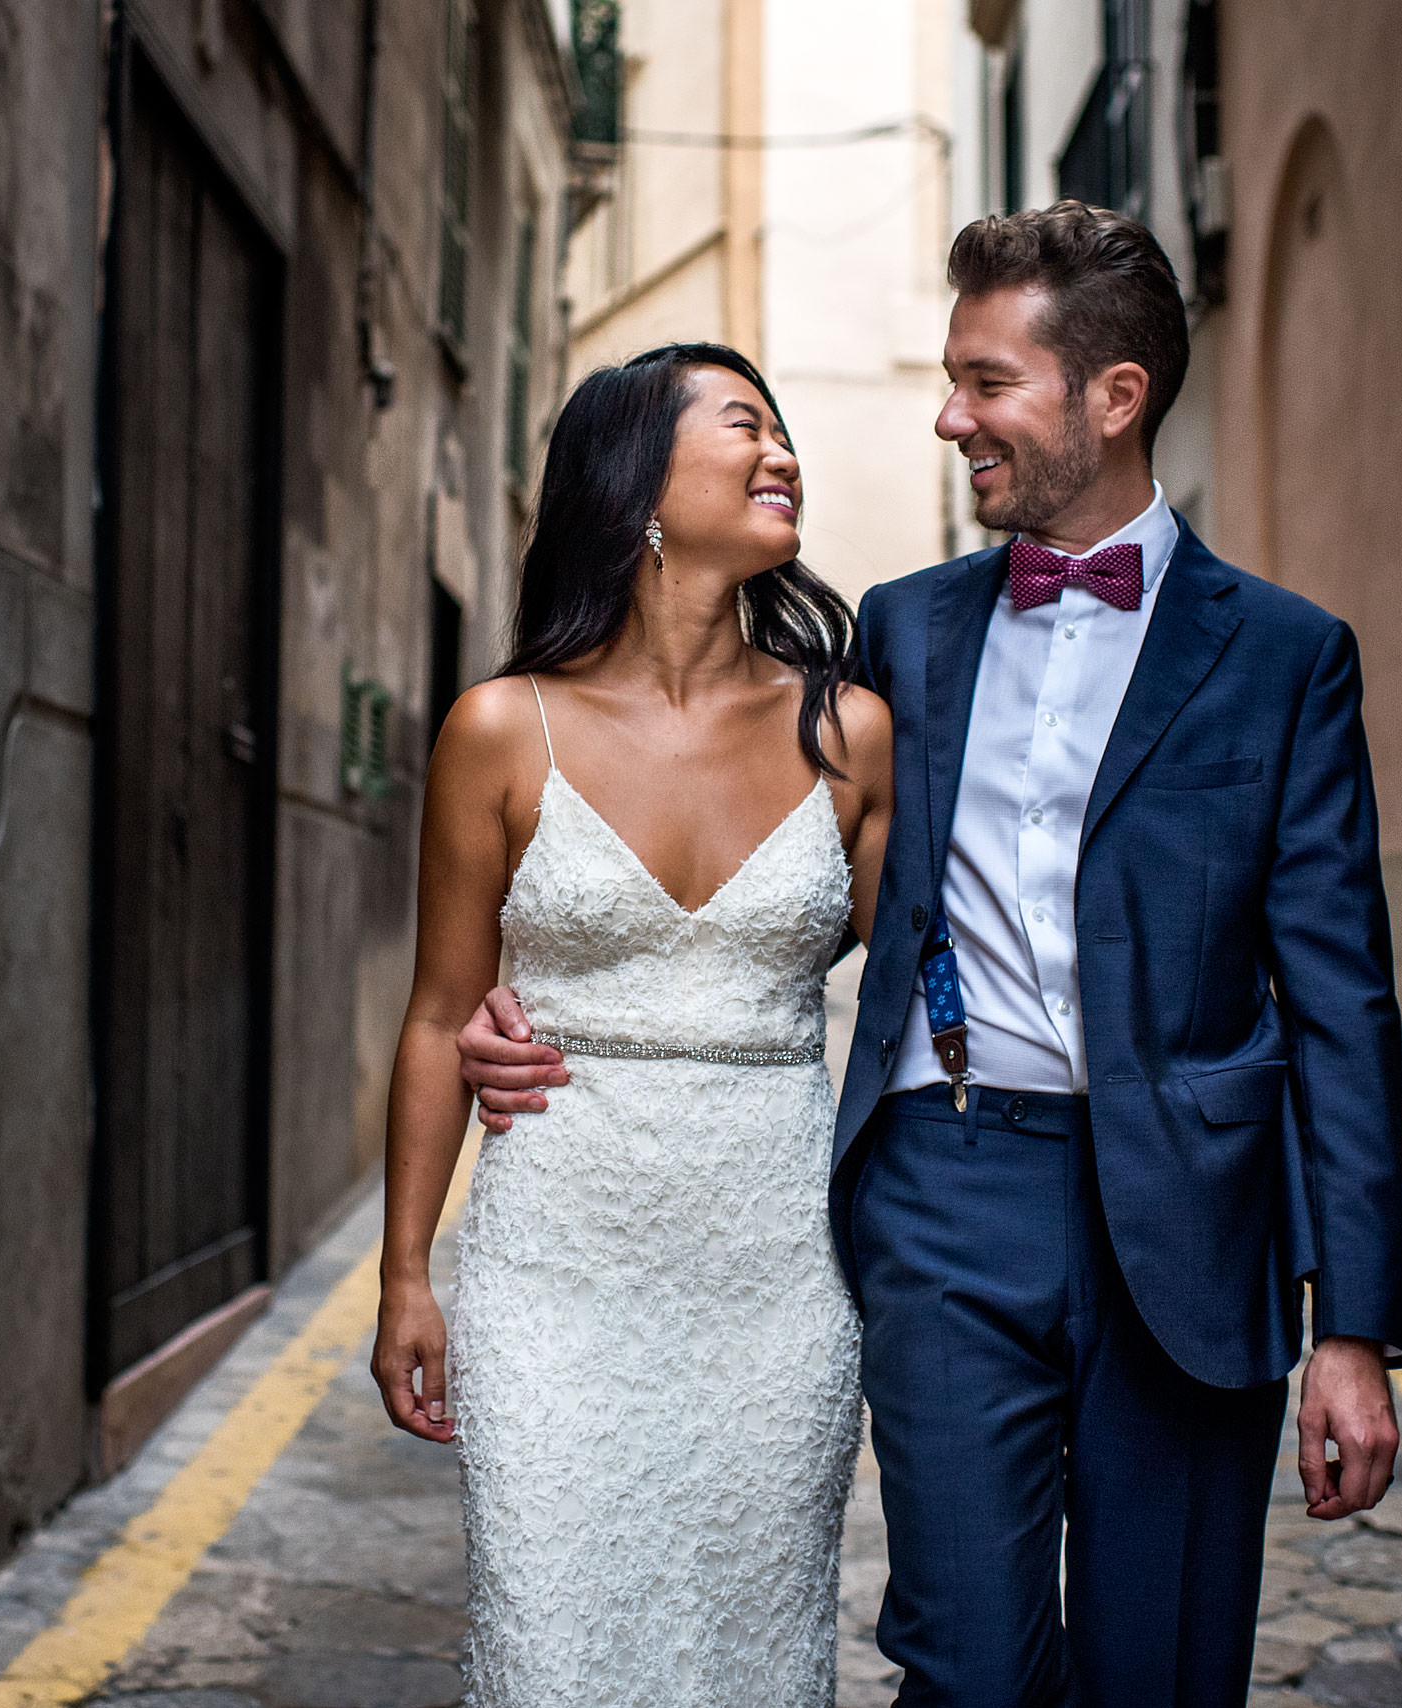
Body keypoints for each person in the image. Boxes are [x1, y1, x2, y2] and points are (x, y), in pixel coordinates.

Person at [464, 202, 1402, 1707]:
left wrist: (1354, 1326)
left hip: (1189, 1215)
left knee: (1158, 1668)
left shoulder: (1288, 655)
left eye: (986, 383)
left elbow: (1344, 1001)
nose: (946, 417)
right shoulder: (896, 637)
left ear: (1112, 398)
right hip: (946, 1187)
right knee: (963, 1663)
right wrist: (551, 989)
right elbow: (743, 843)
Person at [370, 343, 894, 1707]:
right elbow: (438, 1018)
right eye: (745, 426)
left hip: (777, 1276)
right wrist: (406, 1276)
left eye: (785, 431)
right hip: (555, 1275)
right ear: (638, 484)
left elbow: (925, 1000)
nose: (783, 452)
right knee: (551, 1653)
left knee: (755, 1656)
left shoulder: (852, 735)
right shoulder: (499, 728)